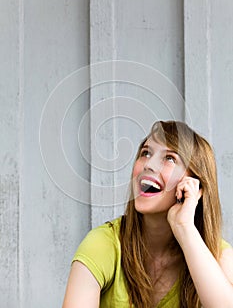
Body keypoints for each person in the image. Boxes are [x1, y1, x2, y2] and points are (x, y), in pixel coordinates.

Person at [62, 120, 233, 308]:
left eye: (170, 158)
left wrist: (184, 228)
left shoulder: (219, 256)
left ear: (195, 185)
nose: (148, 165)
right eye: (146, 153)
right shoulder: (103, 244)